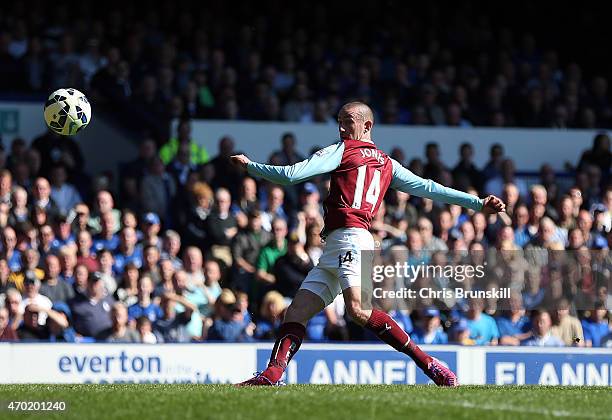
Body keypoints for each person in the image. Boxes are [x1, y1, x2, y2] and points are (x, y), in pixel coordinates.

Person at [231, 101, 505, 386]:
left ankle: (430, 365)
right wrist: (476, 203)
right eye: (339, 120)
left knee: (358, 310)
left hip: (352, 239)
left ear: (367, 126)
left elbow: (291, 175)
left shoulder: (341, 150)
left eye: (347, 121)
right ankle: (271, 375)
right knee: (296, 312)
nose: (341, 127)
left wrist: (251, 166)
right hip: (336, 246)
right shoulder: (388, 164)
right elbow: (429, 188)